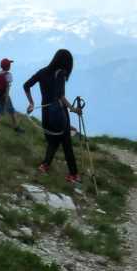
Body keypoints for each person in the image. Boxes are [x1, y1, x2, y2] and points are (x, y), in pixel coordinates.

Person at [23, 49, 82, 184]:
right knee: (66, 144)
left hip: (45, 113)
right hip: (58, 113)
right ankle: (73, 175)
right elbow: (60, 96)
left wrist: (31, 103)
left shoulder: (43, 71)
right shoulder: (60, 73)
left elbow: (26, 85)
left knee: (53, 141)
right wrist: (73, 109)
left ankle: (44, 165)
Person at [0, 58, 22, 133]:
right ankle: (16, 128)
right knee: (12, 111)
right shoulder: (8, 75)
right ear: (8, 67)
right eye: (10, 65)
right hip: (4, 96)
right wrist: (6, 97)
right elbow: (8, 87)